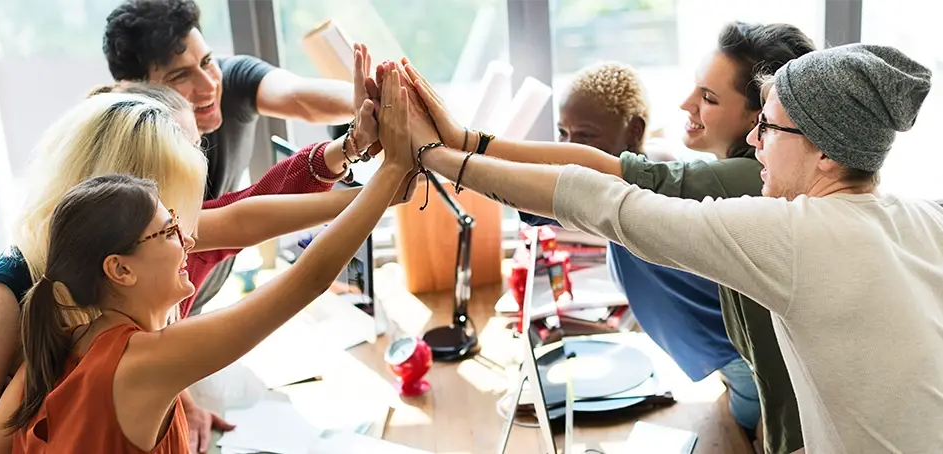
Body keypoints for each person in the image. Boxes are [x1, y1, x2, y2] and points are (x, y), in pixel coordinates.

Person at [402, 43, 942, 452]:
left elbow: (606, 203)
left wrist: (438, 155)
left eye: (769, 128)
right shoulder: (925, 217)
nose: (754, 142)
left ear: (825, 152)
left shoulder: (794, 234)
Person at [0, 48, 412, 454]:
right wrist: (389, 178)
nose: (189, 236)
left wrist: (357, 158)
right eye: (172, 224)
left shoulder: (69, 313)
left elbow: (240, 218)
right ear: (119, 265)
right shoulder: (132, 350)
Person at [507, 23, 814, 453]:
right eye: (695, 88)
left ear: (757, 115)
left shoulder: (745, 181)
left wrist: (459, 152)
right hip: (739, 375)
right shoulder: (728, 178)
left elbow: (592, 187)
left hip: (759, 386)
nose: (685, 103)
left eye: (708, 97)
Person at [103, 0, 366, 314]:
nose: (210, 85)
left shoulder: (228, 79)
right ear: (135, 91)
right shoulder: (123, 166)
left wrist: (364, 102)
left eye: (207, 61)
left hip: (194, 302)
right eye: (179, 77)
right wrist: (382, 190)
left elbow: (298, 96)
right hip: (149, 320)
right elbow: (236, 222)